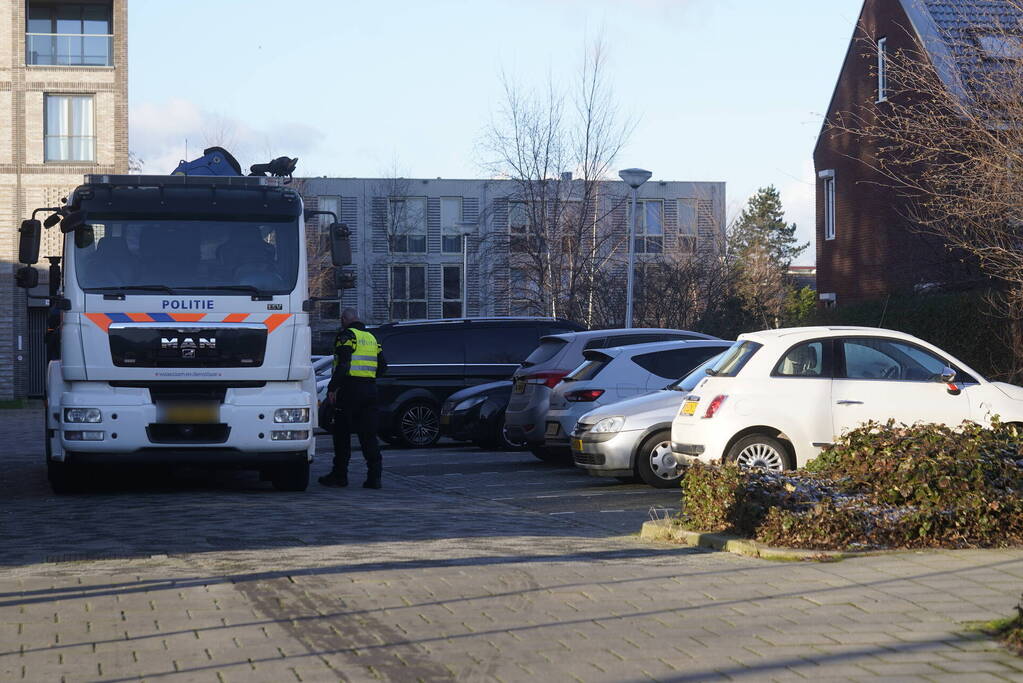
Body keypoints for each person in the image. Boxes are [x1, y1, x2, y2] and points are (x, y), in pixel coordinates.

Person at [318, 308, 387, 489]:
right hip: (370, 390)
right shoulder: (372, 338)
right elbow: (383, 367)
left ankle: (340, 476)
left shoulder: (347, 336)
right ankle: (375, 477)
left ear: (343, 320)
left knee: (342, 434)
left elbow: (344, 364)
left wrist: (332, 388)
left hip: (349, 391)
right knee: (369, 436)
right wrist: (368, 378)